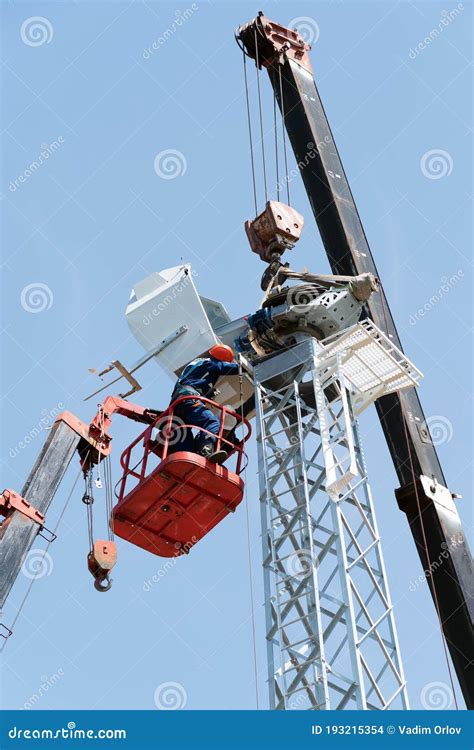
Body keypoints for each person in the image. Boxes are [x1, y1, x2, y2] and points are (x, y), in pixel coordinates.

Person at [169, 344, 239, 462]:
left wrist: (208, 392)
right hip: (189, 399)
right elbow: (227, 367)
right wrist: (246, 365)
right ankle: (206, 450)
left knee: (183, 432)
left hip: (178, 402)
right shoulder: (212, 363)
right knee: (211, 422)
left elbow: (194, 381)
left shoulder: (198, 363)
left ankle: (187, 459)